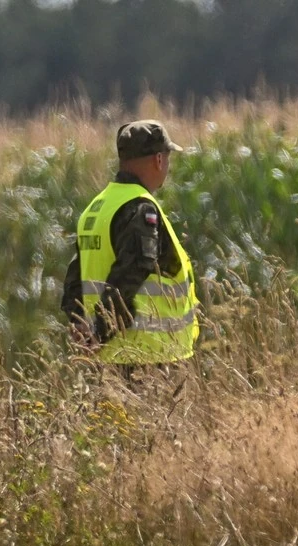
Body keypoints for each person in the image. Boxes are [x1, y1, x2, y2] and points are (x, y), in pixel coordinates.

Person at [60, 120, 199, 370]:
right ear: (158, 159)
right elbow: (130, 272)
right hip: (146, 358)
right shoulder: (140, 208)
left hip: (105, 358)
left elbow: (74, 278)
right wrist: (100, 333)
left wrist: (81, 325)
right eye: (167, 158)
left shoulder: (96, 207)